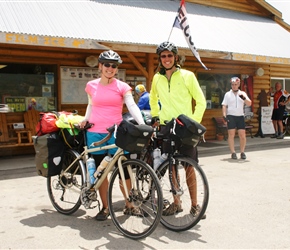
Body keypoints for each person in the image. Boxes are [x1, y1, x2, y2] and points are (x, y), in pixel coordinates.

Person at [79, 50, 146, 221]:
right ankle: (106, 207)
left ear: (116, 69)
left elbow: (131, 106)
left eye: (113, 66)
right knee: (101, 174)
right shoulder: (91, 85)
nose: (110, 68)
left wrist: (142, 124)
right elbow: (90, 105)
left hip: (116, 133)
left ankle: (130, 205)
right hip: (94, 133)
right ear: (100, 66)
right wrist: (85, 119)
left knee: (124, 169)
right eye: (107, 64)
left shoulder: (122, 87)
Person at [149, 41, 206, 218]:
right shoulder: (157, 78)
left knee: (189, 167)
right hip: (167, 127)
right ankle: (176, 203)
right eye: (163, 56)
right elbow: (152, 98)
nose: (166, 59)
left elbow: (201, 101)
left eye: (169, 55)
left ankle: (195, 205)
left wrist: (194, 124)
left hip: (185, 128)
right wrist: (156, 116)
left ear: (176, 57)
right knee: (172, 167)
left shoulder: (188, 76)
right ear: (160, 59)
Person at [222, 77, 252, 160]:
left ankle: (242, 152)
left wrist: (243, 98)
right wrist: (224, 115)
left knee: (242, 135)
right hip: (231, 116)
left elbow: (249, 103)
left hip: (240, 116)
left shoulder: (242, 93)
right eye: (232, 85)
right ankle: (233, 152)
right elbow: (224, 105)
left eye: (235, 85)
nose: (234, 86)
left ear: (238, 85)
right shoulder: (227, 94)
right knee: (231, 135)